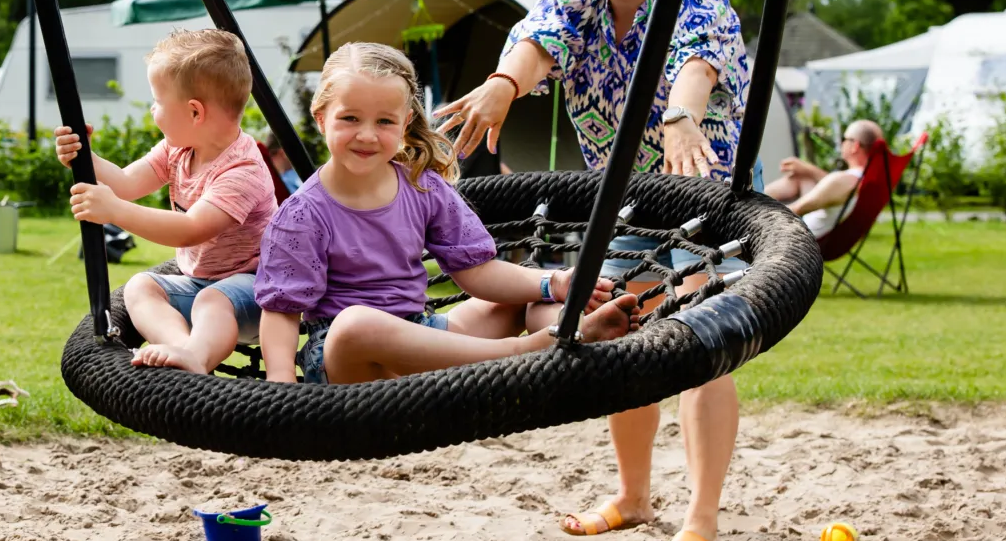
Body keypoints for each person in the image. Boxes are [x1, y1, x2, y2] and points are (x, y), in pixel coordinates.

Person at [430, 0, 755, 541]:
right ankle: (633, 497)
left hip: (710, 196)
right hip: (631, 205)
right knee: (625, 333)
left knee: (700, 339)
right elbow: (536, 43)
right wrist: (503, 85)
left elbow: (695, 64)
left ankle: (702, 518)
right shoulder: (575, 1)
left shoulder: (699, 0)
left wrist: (681, 117)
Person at [253, 42, 640, 386]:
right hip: (349, 360)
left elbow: (477, 272)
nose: (367, 135)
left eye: (384, 121)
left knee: (520, 296)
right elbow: (281, 312)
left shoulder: (422, 186)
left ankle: (568, 339)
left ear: (405, 124)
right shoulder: (302, 214)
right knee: (355, 323)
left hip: (424, 340)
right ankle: (525, 354)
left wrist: (551, 283)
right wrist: (281, 382)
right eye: (350, 118)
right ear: (321, 118)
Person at [53, 28, 277, 375]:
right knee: (141, 287)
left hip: (257, 290)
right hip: (202, 283)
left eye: (157, 101)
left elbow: (189, 230)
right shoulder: (178, 148)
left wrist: (114, 210)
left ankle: (197, 358)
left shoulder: (243, 170)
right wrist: (86, 158)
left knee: (213, 301)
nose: (153, 110)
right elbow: (126, 183)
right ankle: (181, 348)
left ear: (194, 113)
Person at [766, 120, 879, 238]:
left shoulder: (847, 181)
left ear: (855, 146)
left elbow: (795, 209)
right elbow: (832, 186)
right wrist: (808, 169)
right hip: (824, 229)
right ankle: (753, 195)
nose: (841, 143)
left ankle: (750, 201)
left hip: (803, 238)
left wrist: (758, 216)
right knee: (802, 177)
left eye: (844, 139)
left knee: (800, 178)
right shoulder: (862, 178)